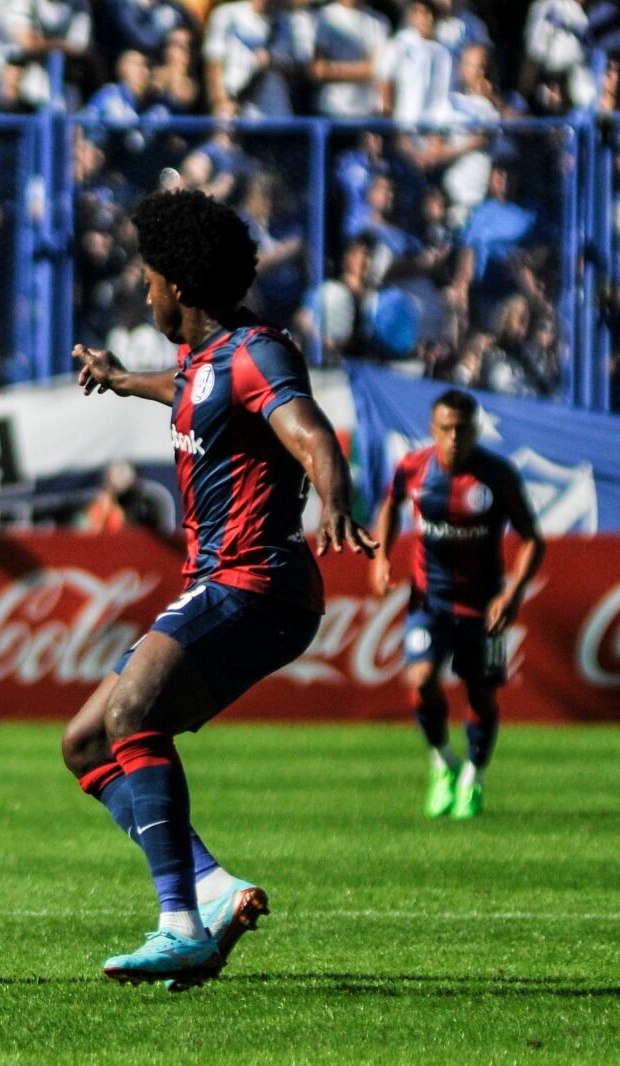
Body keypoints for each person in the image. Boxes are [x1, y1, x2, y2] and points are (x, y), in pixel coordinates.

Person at [63, 190, 377, 987]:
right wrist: (117, 378)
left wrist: (333, 495)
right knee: (87, 743)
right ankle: (213, 887)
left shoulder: (258, 353)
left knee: (133, 713)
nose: (143, 291)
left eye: (148, 278)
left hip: (257, 579)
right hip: (223, 582)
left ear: (178, 282)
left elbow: (308, 428)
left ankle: (178, 923)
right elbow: (188, 393)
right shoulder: (206, 365)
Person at [370, 389, 545, 821]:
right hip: (429, 601)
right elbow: (390, 507)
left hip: (484, 606)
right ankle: (443, 761)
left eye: (462, 430)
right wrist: (380, 555)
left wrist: (512, 593)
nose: (453, 438)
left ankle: (473, 776)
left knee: (482, 698)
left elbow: (533, 540)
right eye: (446, 429)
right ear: (432, 430)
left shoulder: (497, 476)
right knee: (422, 678)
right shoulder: (412, 469)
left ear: (475, 430)